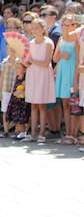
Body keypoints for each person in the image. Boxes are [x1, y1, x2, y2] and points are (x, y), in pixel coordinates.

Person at [25, 16, 55, 143]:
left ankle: (42, 133)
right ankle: (32, 133)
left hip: (43, 74)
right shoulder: (30, 43)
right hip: (32, 74)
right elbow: (27, 62)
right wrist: (25, 61)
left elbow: (46, 62)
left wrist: (32, 61)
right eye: (33, 28)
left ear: (43, 29)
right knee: (33, 105)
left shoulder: (48, 43)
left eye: (37, 28)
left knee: (42, 105)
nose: (35, 31)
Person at [55, 15, 80, 144]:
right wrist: (61, 55)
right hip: (62, 72)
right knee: (64, 104)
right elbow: (54, 58)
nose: (64, 27)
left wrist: (75, 80)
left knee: (72, 104)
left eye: (68, 25)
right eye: (63, 25)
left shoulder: (76, 41)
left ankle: (72, 133)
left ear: (74, 26)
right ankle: (67, 132)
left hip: (72, 73)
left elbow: (78, 61)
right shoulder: (61, 39)